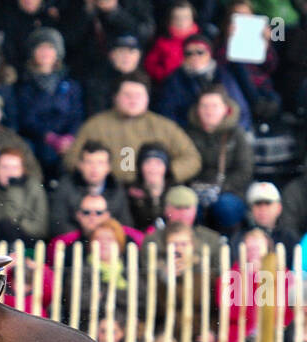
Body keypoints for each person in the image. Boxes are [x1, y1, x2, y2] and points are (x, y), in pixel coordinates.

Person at [64, 72, 201, 185]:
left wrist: (166, 174)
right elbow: (71, 159)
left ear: (147, 99)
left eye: (138, 95)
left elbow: (192, 158)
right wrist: (95, 173)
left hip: (153, 191)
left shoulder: (164, 126)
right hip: (107, 192)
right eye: (127, 95)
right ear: (115, 97)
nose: (133, 100)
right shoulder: (94, 126)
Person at [13, 27, 81, 178]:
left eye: (50, 47)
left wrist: (69, 137)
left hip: (67, 142)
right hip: (36, 143)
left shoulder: (70, 84)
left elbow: (76, 114)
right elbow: (26, 118)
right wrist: (49, 137)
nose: (45, 52)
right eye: (40, 47)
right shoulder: (24, 85)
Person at [184, 86, 252, 233]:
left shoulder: (237, 134)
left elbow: (245, 170)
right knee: (186, 206)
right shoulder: (187, 134)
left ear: (225, 109)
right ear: (197, 110)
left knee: (226, 207)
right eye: (204, 106)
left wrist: (220, 188)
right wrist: (193, 188)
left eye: (214, 106)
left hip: (229, 191)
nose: (209, 110)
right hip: (194, 190)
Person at [155, 31, 251, 130]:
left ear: (209, 54)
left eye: (200, 52)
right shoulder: (174, 80)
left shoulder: (223, 75)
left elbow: (242, 111)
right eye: (189, 53)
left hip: (224, 133)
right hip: (189, 134)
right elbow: (166, 113)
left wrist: (231, 135)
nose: (194, 57)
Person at [49, 138, 132, 238]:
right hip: (74, 245)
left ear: (108, 167)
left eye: (100, 163)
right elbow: (57, 224)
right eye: (89, 162)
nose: (94, 168)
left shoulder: (117, 189)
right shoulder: (66, 186)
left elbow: (126, 226)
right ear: (80, 165)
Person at [0, 147, 48, 243]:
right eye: (5, 167)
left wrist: (19, 224)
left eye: (15, 168)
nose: (10, 172)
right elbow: (4, 220)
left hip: (32, 242)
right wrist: (14, 188)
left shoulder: (34, 186)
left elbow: (41, 228)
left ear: (22, 170)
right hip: (0, 243)